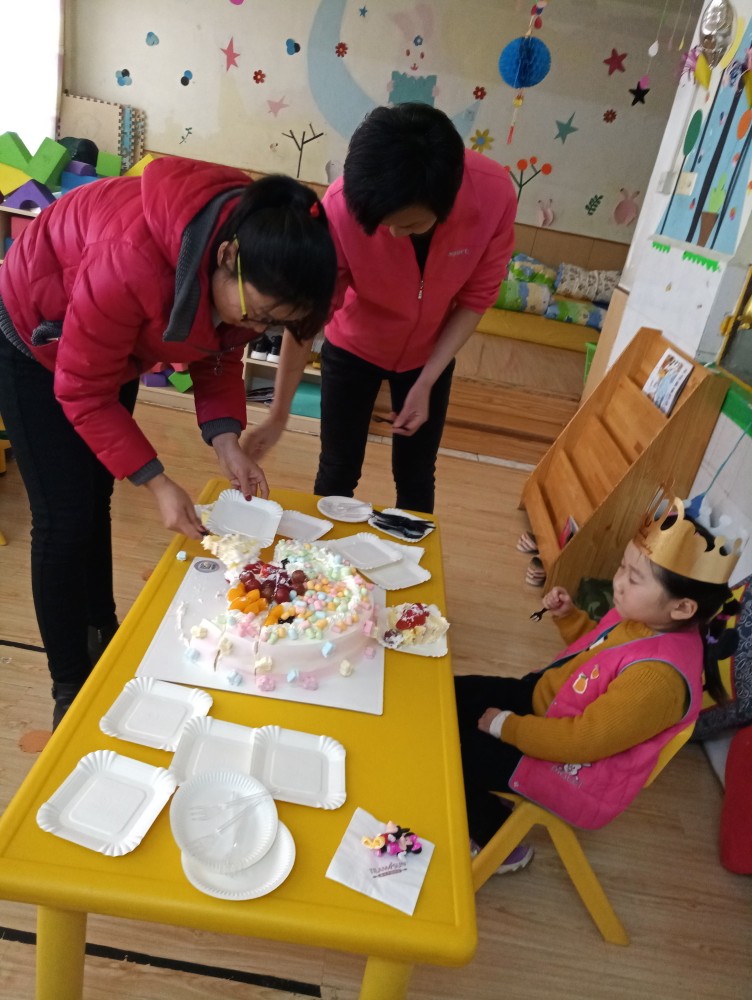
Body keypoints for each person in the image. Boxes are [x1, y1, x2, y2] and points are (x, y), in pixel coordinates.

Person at [0, 156, 336, 727]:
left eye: (272, 324)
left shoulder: (250, 249)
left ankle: (102, 635)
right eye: (260, 314)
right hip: (34, 339)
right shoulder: (131, 259)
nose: (257, 329)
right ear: (226, 257)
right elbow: (83, 390)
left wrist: (227, 441)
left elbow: (217, 347)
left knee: (94, 500)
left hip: (113, 345)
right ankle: (70, 686)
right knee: (63, 519)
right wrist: (156, 481)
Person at [454, 495, 741, 873]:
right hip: (547, 703)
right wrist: (570, 618)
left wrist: (506, 725)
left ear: (683, 607)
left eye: (633, 578)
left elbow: (580, 741)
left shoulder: (658, 680)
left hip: (568, 764)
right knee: (449, 698)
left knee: (453, 751)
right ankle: (488, 796)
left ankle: (498, 843)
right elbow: (600, 652)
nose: (618, 583)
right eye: (622, 567)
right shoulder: (645, 616)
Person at [312, 102, 517, 514]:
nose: (392, 234)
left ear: (444, 202)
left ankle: (413, 555)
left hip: (430, 353)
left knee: (416, 474)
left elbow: (477, 298)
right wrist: (278, 414)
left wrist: (425, 381)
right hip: (353, 345)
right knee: (337, 468)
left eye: (408, 225)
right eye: (383, 224)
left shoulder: (493, 193)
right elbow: (310, 310)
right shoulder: (341, 204)